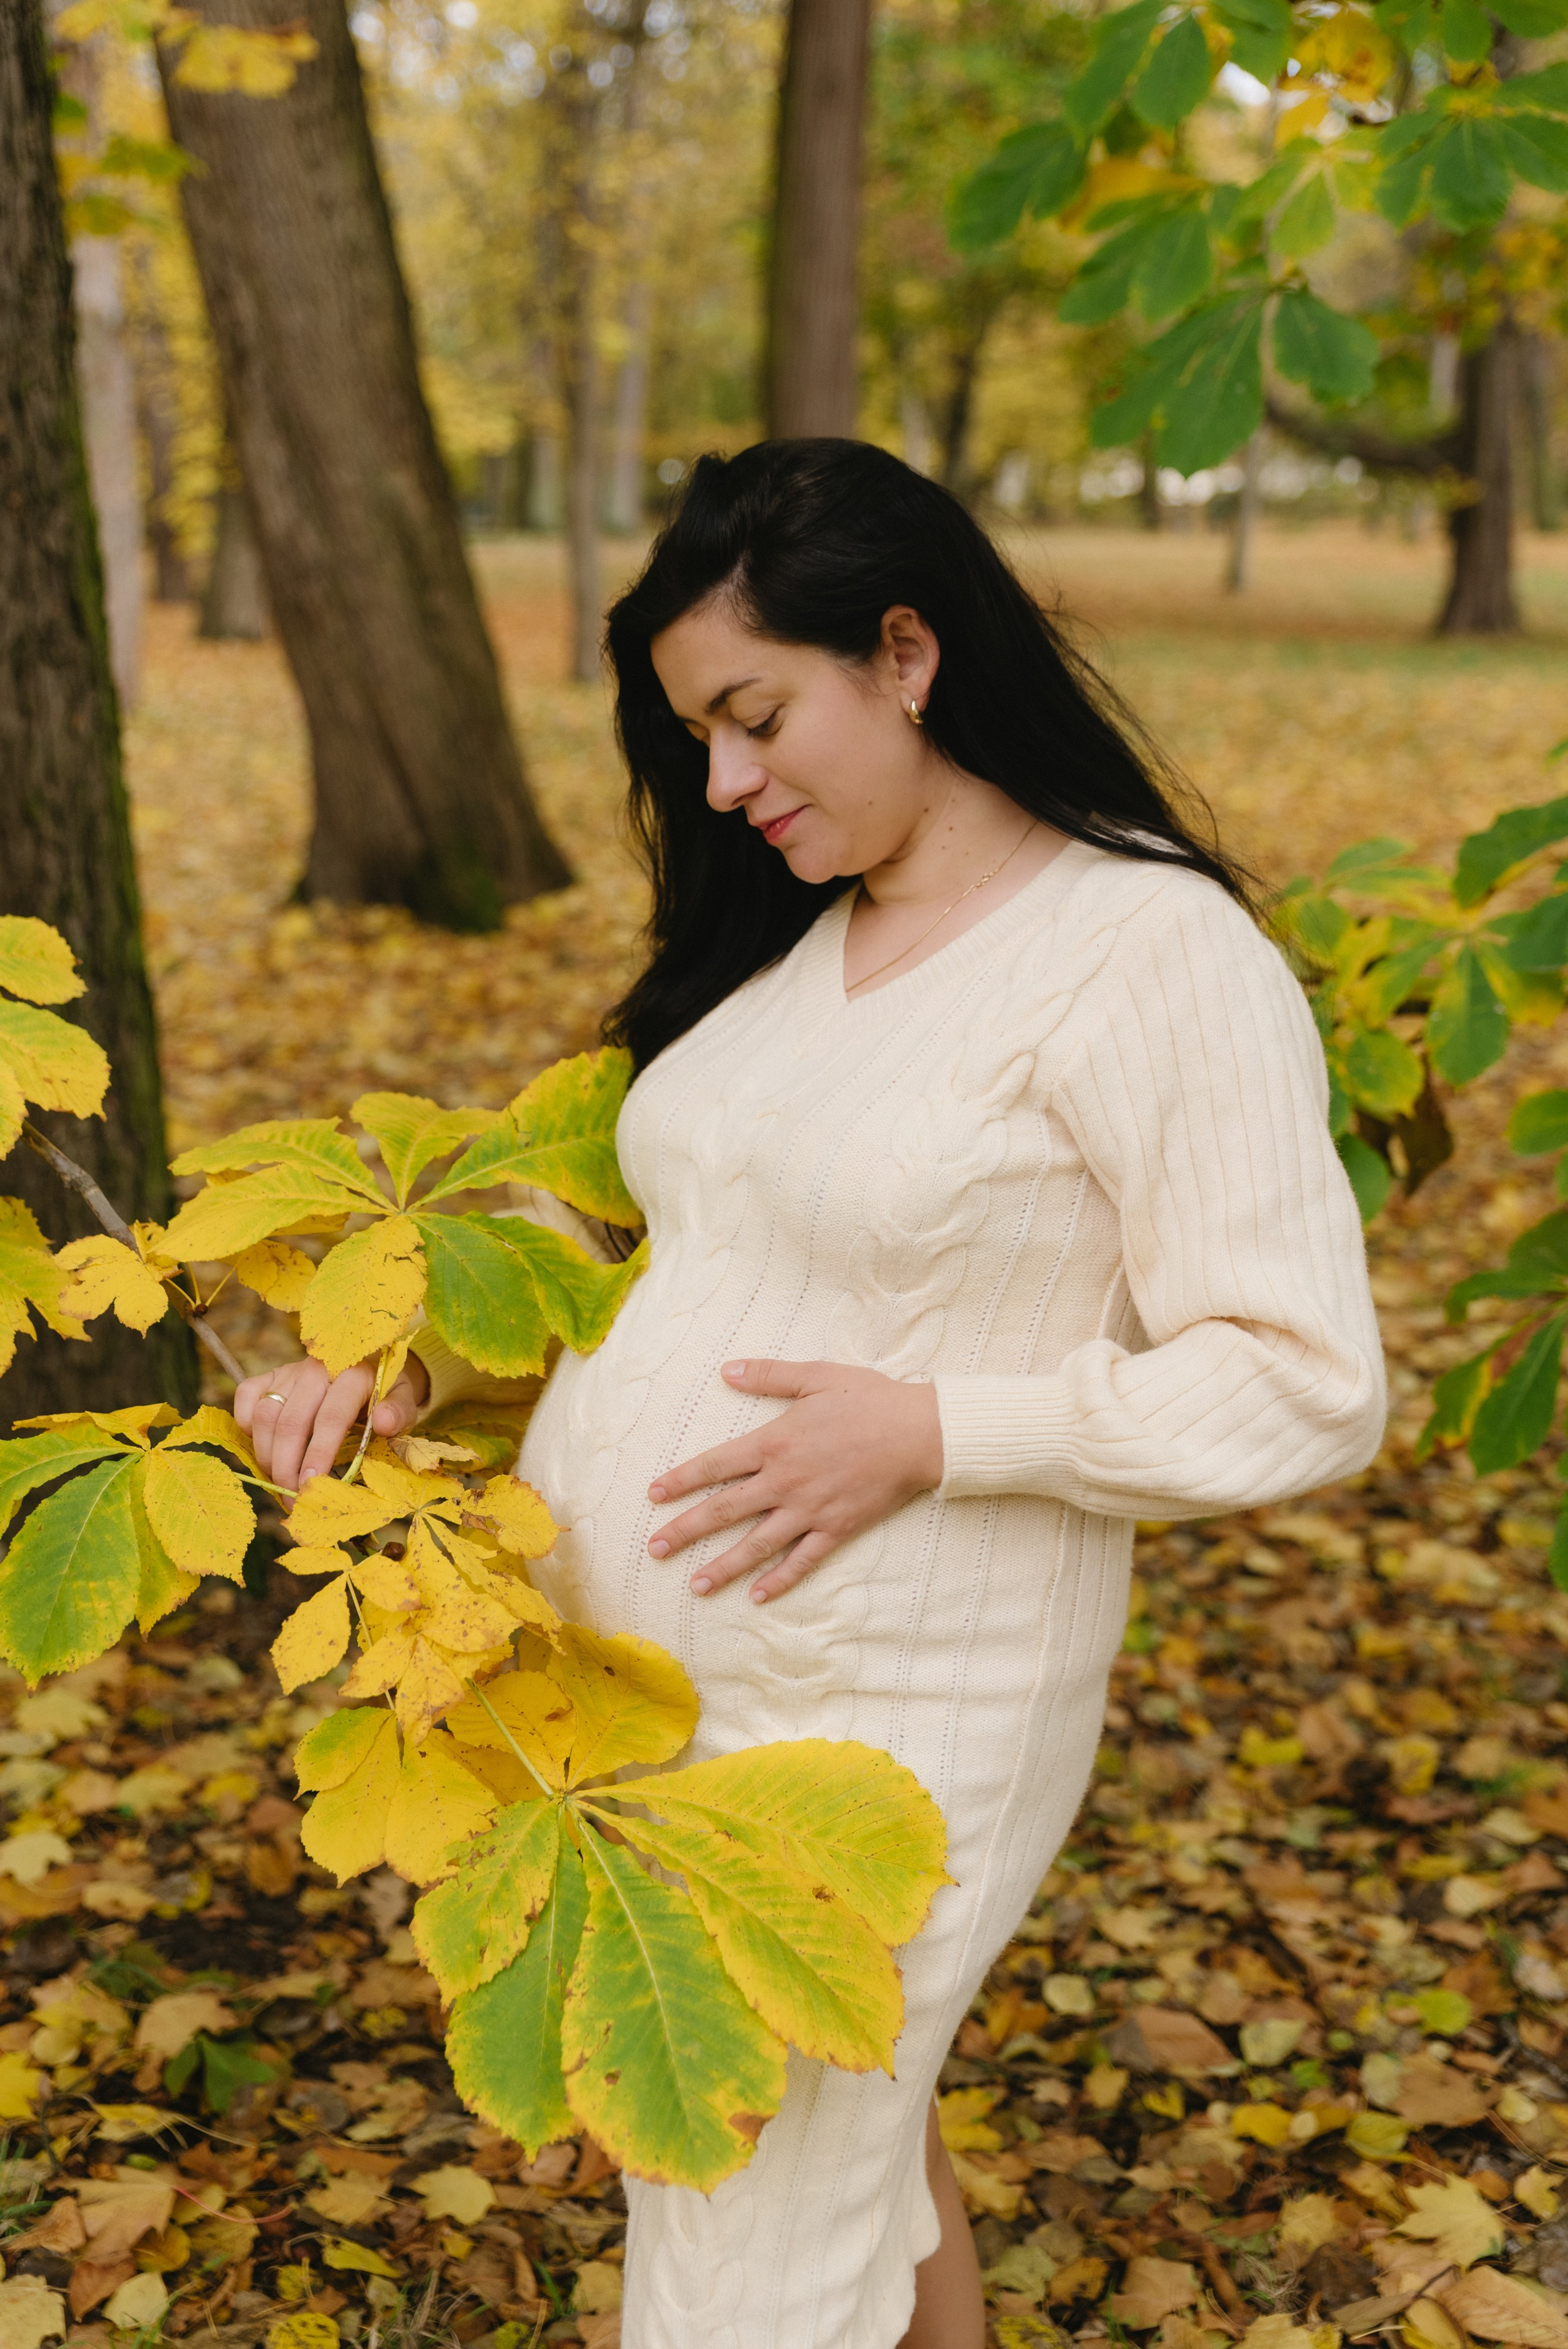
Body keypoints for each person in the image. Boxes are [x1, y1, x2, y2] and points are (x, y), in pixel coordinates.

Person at [238, 440, 1385, 2349]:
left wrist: (941, 1427)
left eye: (756, 717)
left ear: (909, 652)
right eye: (699, 736)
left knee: (749, 2239)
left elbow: (1303, 1379)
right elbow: (665, 1251)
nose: (725, 781)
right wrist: (409, 1362)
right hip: (628, 1702)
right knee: (851, 2156)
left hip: (890, 1702)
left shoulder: (1148, 952)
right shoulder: (795, 935)